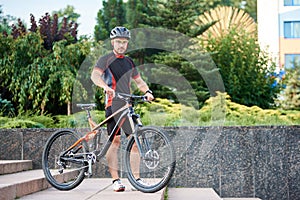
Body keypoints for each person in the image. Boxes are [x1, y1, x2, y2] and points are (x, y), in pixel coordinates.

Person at [91, 26, 154, 192]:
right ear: (113, 42)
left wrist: (147, 91)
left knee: (134, 141)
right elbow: (95, 76)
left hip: (127, 105)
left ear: (127, 44)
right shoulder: (105, 59)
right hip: (113, 105)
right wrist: (105, 86)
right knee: (116, 141)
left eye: (124, 42)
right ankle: (115, 180)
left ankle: (137, 180)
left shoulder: (129, 62)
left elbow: (139, 82)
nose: (121, 45)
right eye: (118, 42)